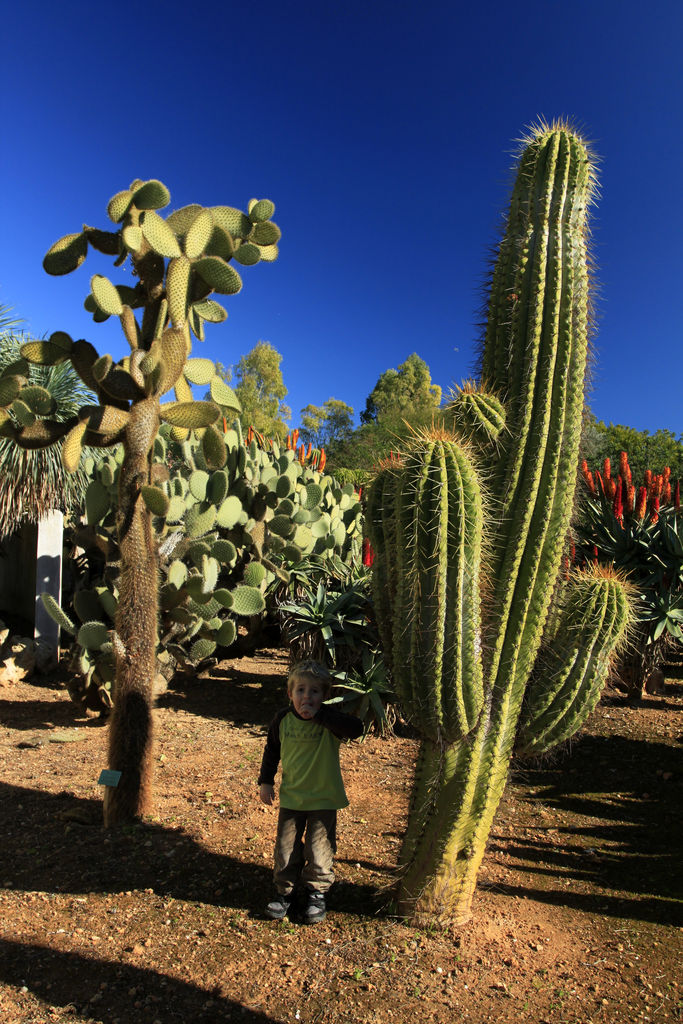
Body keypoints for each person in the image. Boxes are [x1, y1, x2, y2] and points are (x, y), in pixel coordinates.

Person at [258, 659, 363, 924]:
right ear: (290, 693)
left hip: (323, 799)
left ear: (325, 696)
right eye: (301, 690)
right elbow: (271, 751)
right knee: (285, 848)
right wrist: (266, 781)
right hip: (292, 798)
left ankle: (317, 892)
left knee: (319, 848)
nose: (307, 696)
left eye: (315, 691)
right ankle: (285, 892)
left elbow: (356, 729)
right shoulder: (282, 720)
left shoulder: (330, 723)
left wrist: (322, 716)